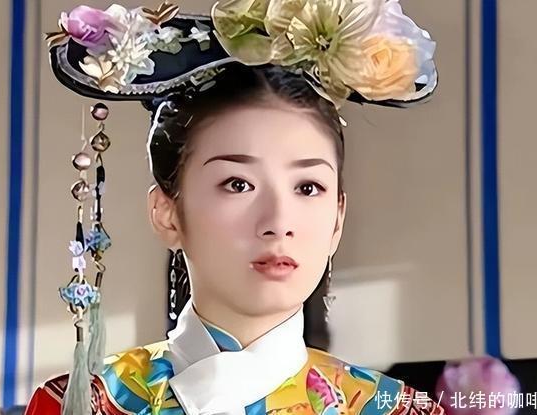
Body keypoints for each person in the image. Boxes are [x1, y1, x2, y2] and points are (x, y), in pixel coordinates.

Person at [27, 0, 444, 414]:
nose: (278, 222)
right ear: (167, 214)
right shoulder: (87, 404)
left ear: (338, 219)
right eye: (238, 184)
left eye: (308, 187)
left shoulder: (393, 409)